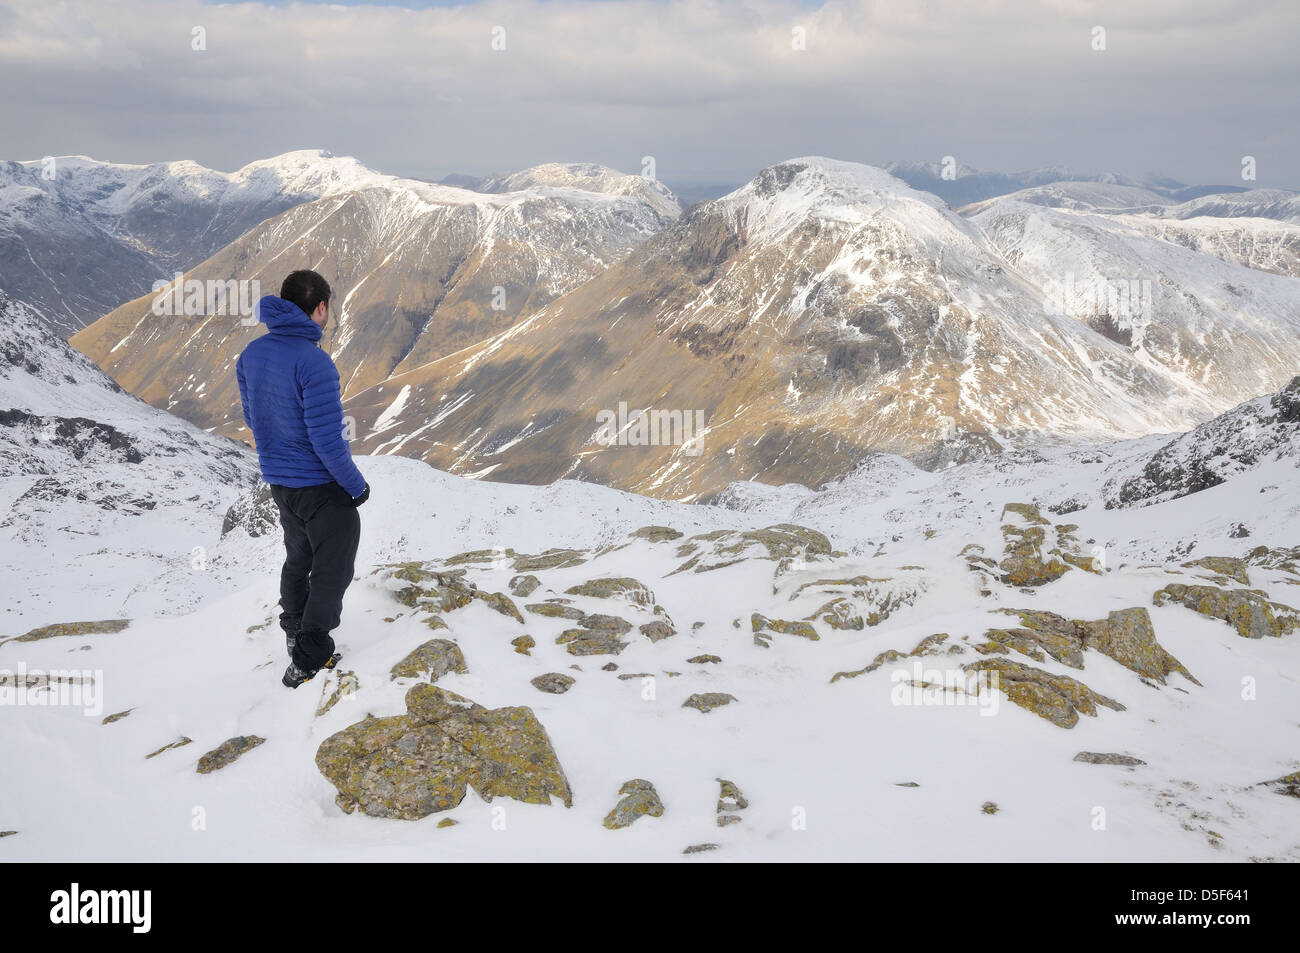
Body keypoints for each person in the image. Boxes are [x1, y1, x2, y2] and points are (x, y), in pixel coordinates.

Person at [236, 270, 370, 689]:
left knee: (300, 557)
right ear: (321, 308)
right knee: (333, 565)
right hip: (317, 485)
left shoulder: (252, 355)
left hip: (280, 482)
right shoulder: (314, 363)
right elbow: (328, 441)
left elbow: (251, 418)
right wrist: (356, 486)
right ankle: (309, 659)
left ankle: (294, 629)